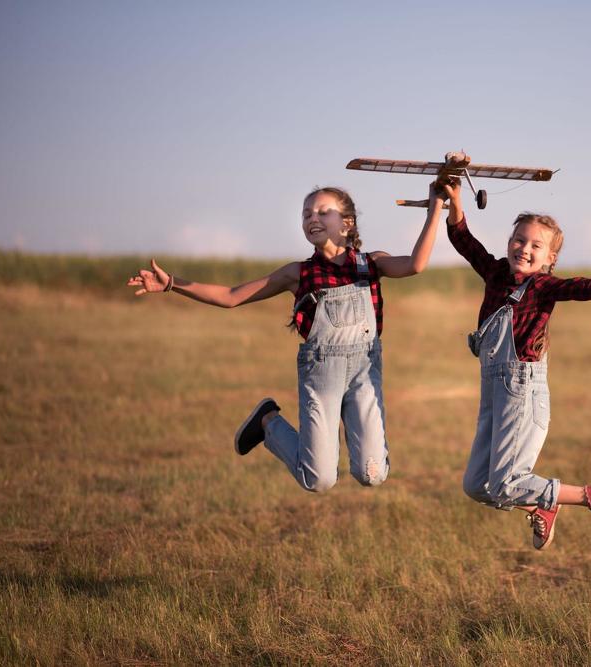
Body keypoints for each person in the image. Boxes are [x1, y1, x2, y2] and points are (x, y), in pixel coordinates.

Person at [127, 183, 446, 492]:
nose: (313, 218)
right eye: (307, 214)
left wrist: (435, 210)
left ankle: (282, 426)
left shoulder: (371, 263)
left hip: (365, 373)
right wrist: (173, 283)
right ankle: (268, 421)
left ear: (347, 223)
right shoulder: (298, 273)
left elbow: (416, 265)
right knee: (318, 480)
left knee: (372, 474)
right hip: (322, 377)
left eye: (324, 212)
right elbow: (231, 295)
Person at [443, 180, 591, 549]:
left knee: (506, 482)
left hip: (521, 392)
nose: (524, 248)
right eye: (519, 240)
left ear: (550, 259)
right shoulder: (494, 274)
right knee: (477, 485)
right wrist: (455, 199)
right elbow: (462, 239)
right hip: (492, 392)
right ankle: (542, 504)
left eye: (536, 245)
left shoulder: (544, 288)